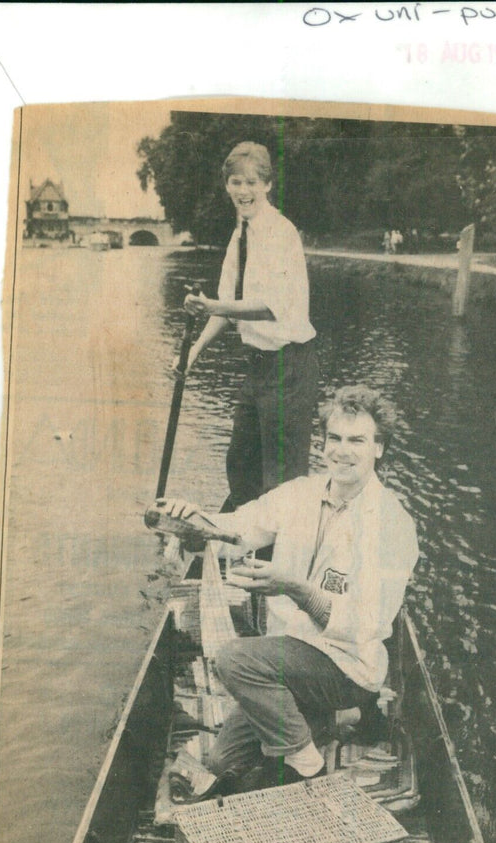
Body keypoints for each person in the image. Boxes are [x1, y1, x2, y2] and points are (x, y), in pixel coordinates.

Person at [161, 386, 419, 800]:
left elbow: (366, 627)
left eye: (357, 441)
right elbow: (238, 528)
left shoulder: (392, 523)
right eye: (334, 439)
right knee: (222, 768)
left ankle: (313, 762)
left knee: (235, 660)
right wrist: (191, 520)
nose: (343, 452)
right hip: (290, 659)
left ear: (379, 448)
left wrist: (297, 589)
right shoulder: (299, 493)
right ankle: (338, 720)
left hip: (347, 667)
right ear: (323, 444)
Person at [182, 142, 319, 509]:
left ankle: (276, 560)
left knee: (282, 480)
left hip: (290, 367)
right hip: (257, 368)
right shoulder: (240, 233)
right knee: (240, 466)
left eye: (252, 183)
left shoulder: (280, 232)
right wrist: (193, 353)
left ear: (268, 185)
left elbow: (269, 308)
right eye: (236, 182)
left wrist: (212, 303)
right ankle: (236, 549)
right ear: (226, 185)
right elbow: (227, 309)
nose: (243, 191)